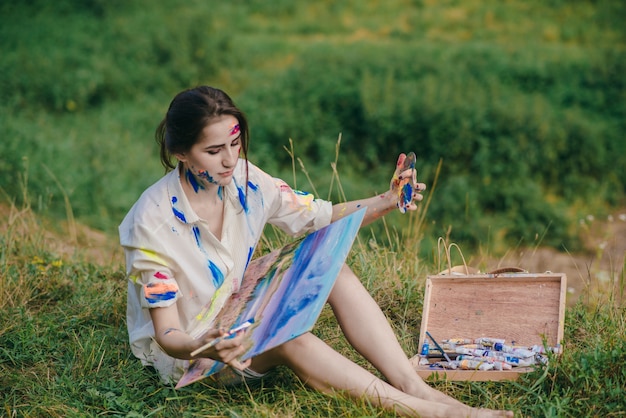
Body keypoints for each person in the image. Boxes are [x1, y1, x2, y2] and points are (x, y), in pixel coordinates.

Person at [119, 86, 513, 417]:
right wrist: (210, 346)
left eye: (235, 143)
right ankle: (429, 411)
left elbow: (319, 217)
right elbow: (168, 333)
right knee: (288, 337)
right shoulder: (152, 223)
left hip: (235, 305)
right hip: (197, 354)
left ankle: (411, 382)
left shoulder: (247, 180)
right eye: (213, 150)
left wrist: (388, 199)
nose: (230, 159)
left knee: (332, 265)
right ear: (180, 153)